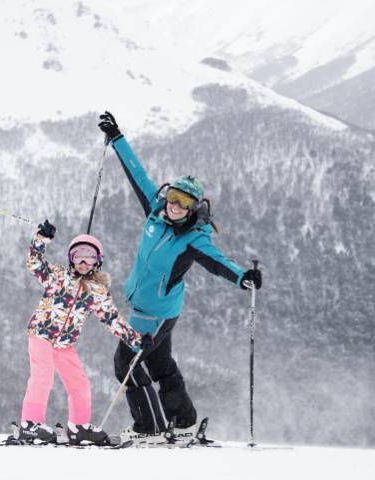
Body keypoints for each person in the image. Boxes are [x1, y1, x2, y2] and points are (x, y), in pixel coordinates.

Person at [98, 111, 262, 440]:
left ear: (193, 208)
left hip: (154, 314)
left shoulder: (194, 238)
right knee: (160, 364)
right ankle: (183, 421)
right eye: (173, 197)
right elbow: (137, 173)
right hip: (149, 308)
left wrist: (243, 276)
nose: (174, 205)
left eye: (183, 202)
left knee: (124, 364)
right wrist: (117, 138)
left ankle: (150, 427)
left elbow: (218, 262)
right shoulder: (156, 211)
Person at [16, 219, 142, 445]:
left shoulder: (96, 290)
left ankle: (79, 427)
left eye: (90, 257)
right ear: (70, 258)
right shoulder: (57, 276)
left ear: (98, 261)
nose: (84, 262)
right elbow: (34, 262)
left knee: (80, 383)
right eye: (79, 255)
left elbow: (111, 318)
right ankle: (30, 424)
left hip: (64, 344)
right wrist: (41, 238)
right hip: (41, 335)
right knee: (43, 376)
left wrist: (136, 340)